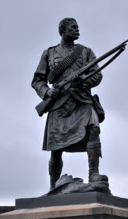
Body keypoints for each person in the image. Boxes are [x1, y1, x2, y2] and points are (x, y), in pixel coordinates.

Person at [31, 17, 107, 191]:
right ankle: (53, 185)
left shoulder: (86, 52)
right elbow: (37, 80)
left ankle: (93, 173)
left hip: (82, 100)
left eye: (78, 27)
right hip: (59, 104)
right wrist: (47, 92)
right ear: (63, 30)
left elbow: (97, 76)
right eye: (73, 27)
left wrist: (83, 81)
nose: (77, 30)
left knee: (94, 128)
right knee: (56, 147)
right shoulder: (49, 53)